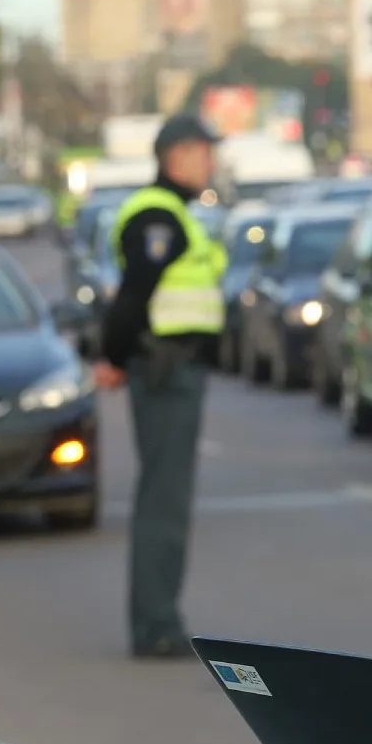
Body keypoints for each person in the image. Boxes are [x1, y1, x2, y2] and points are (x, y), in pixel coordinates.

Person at [91, 114, 228, 659]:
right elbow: (134, 294)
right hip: (166, 369)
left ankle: (160, 616)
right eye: (203, 152)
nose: (210, 162)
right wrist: (112, 356)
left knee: (167, 497)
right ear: (176, 156)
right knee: (163, 501)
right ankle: (155, 624)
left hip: (175, 368)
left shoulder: (175, 214)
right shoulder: (157, 216)